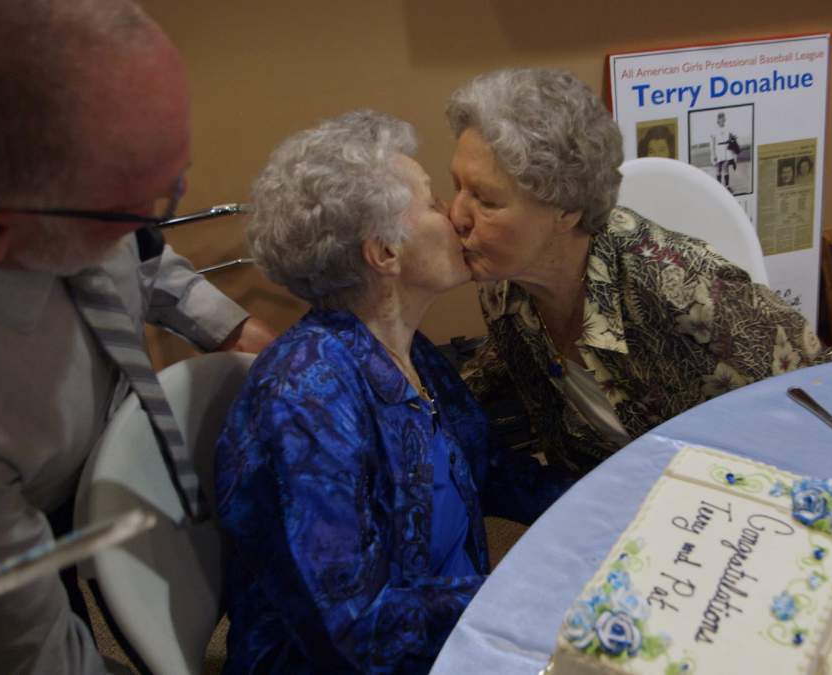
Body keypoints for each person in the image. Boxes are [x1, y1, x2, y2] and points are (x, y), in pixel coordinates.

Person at [0, 2, 274, 673]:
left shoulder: (80, 207)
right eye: (143, 202)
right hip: (21, 527)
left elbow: (145, 257)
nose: (168, 202)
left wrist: (231, 326)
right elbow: (31, 654)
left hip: (90, 455)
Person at [215, 110, 572, 674]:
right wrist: (532, 595)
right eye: (433, 203)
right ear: (384, 252)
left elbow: (494, 472)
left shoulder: (407, 350)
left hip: (460, 633)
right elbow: (355, 627)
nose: (456, 216)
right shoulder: (303, 400)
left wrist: (618, 506)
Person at [447, 68, 832, 476]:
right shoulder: (502, 283)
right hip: (601, 490)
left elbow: (828, 390)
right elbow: (504, 363)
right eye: (456, 186)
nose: (456, 215)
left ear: (567, 209)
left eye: (486, 200)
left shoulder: (682, 290)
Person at [708, 111, 739, 191]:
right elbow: (713, 143)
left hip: (726, 149)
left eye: (723, 118)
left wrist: (733, 138)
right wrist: (714, 154)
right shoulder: (714, 130)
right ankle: (718, 187)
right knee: (718, 168)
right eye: (720, 119)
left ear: (725, 119)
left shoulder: (728, 128)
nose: (722, 120)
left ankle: (727, 186)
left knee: (726, 167)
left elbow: (734, 136)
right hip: (718, 149)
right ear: (718, 120)